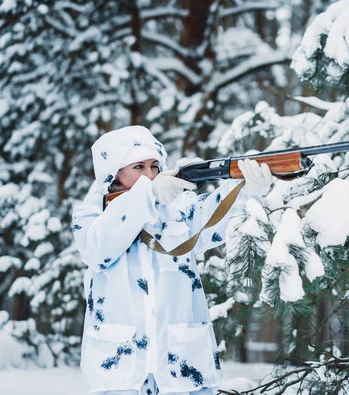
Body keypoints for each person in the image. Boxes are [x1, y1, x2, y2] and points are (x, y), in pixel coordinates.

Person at [72, 125, 272, 395]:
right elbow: (98, 248)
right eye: (138, 167)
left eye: (155, 166)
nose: (150, 175)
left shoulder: (177, 206)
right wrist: (147, 196)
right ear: (113, 172)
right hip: (120, 368)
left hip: (181, 363)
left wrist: (247, 189)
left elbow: (217, 221)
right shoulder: (91, 213)